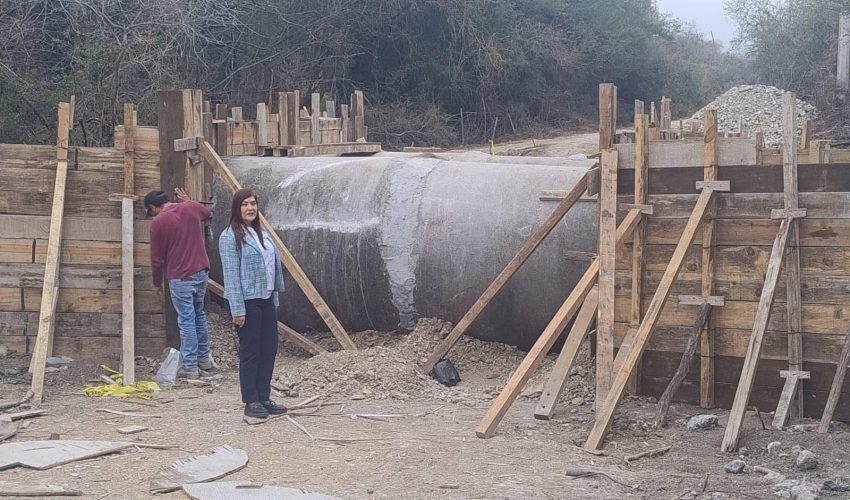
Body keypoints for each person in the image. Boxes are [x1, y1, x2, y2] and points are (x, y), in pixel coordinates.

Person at [219, 188, 287, 419]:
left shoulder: (262, 234)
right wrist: (237, 309)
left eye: (253, 204)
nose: (250, 208)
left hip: (266, 299)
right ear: (237, 209)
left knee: (269, 349)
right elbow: (231, 276)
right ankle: (251, 400)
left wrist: (274, 298)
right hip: (247, 301)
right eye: (245, 204)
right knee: (251, 352)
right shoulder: (229, 237)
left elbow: (272, 269)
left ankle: (264, 396)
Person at [146, 187, 214, 380]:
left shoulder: (158, 222)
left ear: (153, 207)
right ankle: (204, 360)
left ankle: (190, 367)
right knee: (199, 315)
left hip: (180, 276)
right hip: (201, 272)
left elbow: (157, 258)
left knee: (186, 319)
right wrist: (190, 201)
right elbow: (207, 213)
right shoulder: (190, 207)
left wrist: (156, 282)